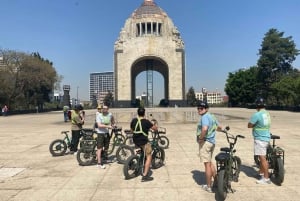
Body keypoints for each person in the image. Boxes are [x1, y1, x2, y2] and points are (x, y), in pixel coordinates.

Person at [196, 101, 222, 193]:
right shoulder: (212, 116)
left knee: (207, 165)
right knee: (210, 163)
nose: (199, 110)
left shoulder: (205, 117)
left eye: (201, 108)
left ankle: (208, 186)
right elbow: (220, 127)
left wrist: (201, 138)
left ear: (206, 109)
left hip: (206, 143)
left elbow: (204, 129)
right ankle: (217, 181)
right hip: (212, 142)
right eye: (198, 108)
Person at [248, 97, 271, 184]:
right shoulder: (267, 113)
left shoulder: (257, 115)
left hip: (260, 138)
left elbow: (249, 125)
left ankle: (266, 178)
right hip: (266, 137)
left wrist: (254, 125)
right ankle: (261, 173)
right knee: (262, 157)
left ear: (257, 105)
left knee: (262, 158)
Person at [130, 107, 158, 182]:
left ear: (137, 113)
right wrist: (154, 125)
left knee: (141, 151)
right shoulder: (146, 121)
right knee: (149, 156)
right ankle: (145, 176)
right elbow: (154, 128)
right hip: (143, 141)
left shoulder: (134, 120)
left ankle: (139, 159)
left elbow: (132, 130)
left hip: (135, 140)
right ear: (144, 113)